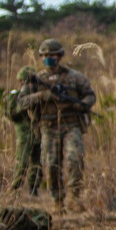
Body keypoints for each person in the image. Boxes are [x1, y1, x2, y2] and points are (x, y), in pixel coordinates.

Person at [16, 39, 95, 213]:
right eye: (44, 56)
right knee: (51, 165)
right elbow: (20, 103)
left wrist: (81, 105)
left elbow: (90, 95)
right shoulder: (36, 80)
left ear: (59, 56)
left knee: (75, 158)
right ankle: (57, 201)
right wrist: (42, 96)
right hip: (48, 127)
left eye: (51, 55)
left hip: (71, 124)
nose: (47, 59)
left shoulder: (74, 77)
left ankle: (75, 198)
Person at [7, 65, 42, 196]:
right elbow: (11, 113)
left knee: (37, 162)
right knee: (22, 161)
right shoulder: (16, 95)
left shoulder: (39, 94)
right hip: (23, 133)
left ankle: (34, 188)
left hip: (37, 132)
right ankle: (15, 189)